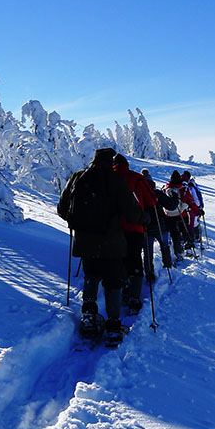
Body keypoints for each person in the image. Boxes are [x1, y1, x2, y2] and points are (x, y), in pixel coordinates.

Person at [57, 147, 142, 347]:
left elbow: (62, 209)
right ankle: (113, 326)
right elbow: (131, 212)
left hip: (85, 241)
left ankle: (88, 317)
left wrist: (79, 224)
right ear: (110, 161)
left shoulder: (78, 177)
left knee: (91, 276)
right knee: (113, 282)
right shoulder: (115, 180)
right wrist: (143, 217)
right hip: (112, 242)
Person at [112, 154, 157, 314]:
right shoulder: (136, 178)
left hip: (113, 229)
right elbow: (152, 201)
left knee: (120, 260)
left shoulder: (108, 178)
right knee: (135, 259)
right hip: (135, 226)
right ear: (127, 165)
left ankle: (123, 289)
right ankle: (134, 297)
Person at [165, 170, 199, 254]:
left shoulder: (166, 189)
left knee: (174, 235)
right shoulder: (183, 189)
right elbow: (190, 201)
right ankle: (188, 249)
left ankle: (178, 253)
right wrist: (198, 211)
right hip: (182, 214)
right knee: (185, 231)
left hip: (170, 216)